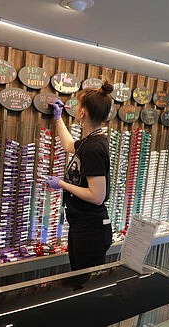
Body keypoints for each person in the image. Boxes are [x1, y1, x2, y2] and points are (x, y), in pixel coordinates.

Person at [46, 81, 114, 274]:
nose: (74, 108)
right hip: (82, 225)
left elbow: (97, 196)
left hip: (91, 229)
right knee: (79, 278)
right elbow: (68, 145)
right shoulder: (90, 141)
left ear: (83, 113)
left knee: (85, 284)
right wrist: (58, 119)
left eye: (77, 105)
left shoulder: (94, 148)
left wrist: (61, 184)